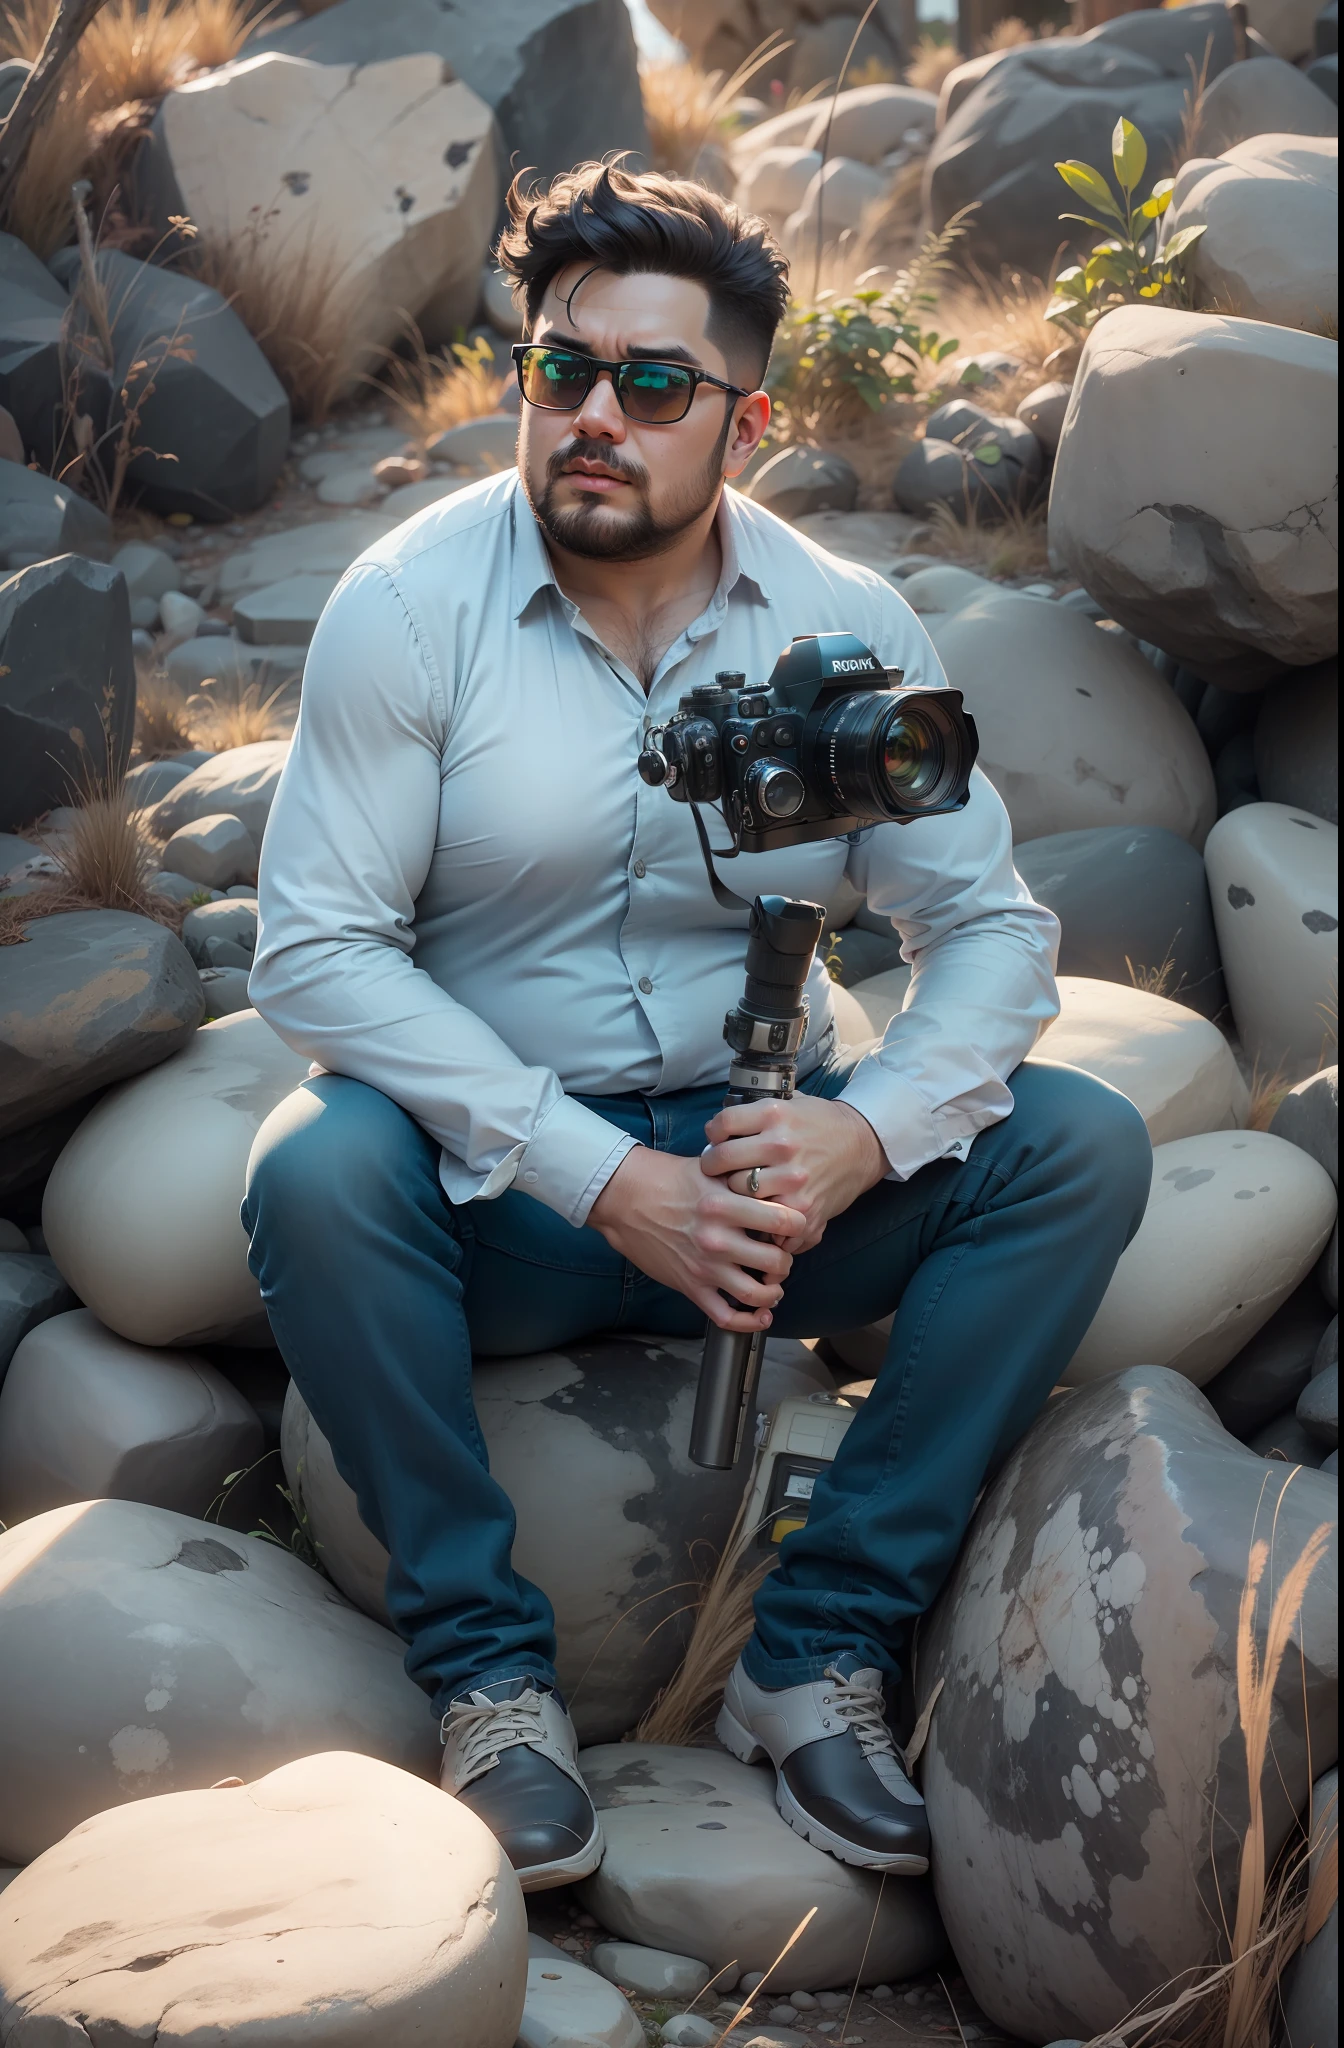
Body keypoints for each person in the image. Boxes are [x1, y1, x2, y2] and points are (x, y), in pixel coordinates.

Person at [244, 162, 1152, 1893]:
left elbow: (987, 930)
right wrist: (601, 1180)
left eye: (653, 385)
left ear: (742, 425)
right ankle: (490, 1685)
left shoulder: (850, 627)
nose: (595, 416)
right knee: (312, 1174)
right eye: (560, 370)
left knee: (1080, 1147)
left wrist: (865, 1129)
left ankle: (815, 1655)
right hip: (495, 1193)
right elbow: (318, 957)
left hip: (772, 1184)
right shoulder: (409, 606)